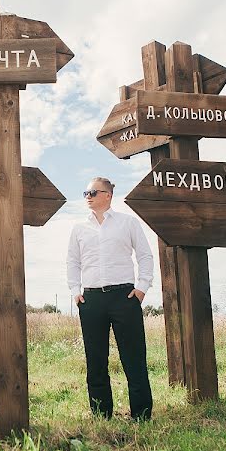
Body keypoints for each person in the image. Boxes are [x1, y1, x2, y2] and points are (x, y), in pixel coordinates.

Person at [67, 177, 154, 420]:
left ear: (108, 195)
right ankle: (101, 415)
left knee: (134, 358)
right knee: (95, 360)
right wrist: (76, 291)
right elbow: (73, 262)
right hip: (91, 300)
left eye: (93, 192)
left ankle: (142, 415)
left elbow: (145, 256)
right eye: (85, 192)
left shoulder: (128, 223)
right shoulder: (79, 228)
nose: (88, 196)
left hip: (124, 297)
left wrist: (142, 288)